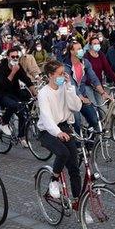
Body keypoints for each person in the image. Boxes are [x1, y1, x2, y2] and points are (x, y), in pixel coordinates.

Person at [36, 61, 85, 207]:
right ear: (50, 75)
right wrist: (57, 133)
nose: (63, 76)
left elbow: (76, 106)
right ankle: (54, 180)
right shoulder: (43, 93)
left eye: (64, 73)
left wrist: (70, 87)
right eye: (60, 74)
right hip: (47, 130)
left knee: (74, 168)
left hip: (64, 126)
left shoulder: (65, 87)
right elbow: (46, 117)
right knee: (63, 153)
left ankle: (78, 203)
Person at [0, 47, 36, 143]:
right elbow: (5, 84)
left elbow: (26, 79)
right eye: (13, 56)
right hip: (1, 94)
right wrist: (13, 72)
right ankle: (4, 123)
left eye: (17, 56)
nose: (15, 58)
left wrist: (35, 92)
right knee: (14, 105)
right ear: (8, 57)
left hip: (14, 92)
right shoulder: (2, 67)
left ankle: (21, 136)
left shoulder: (18, 65)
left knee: (23, 111)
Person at [62, 41, 107, 132]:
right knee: (77, 121)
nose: (81, 51)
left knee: (94, 119)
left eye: (81, 48)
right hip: (72, 98)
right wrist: (81, 97)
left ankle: (90, 143)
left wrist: (103, 92)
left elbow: (94, 78)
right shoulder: (66, 66)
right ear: (71, 51)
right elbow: (71, 84)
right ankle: (78, 145)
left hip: (83, 95)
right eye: (78, 49)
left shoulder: (85, 63)